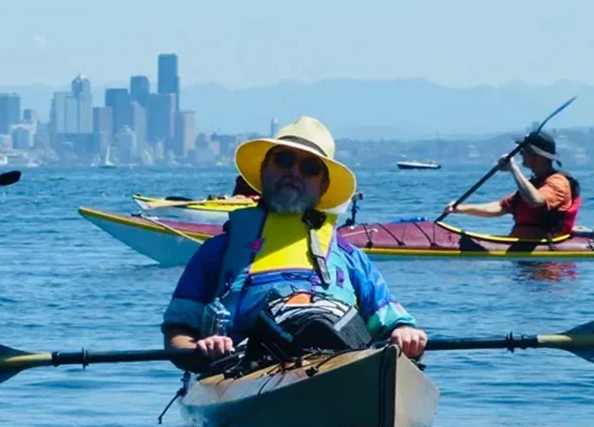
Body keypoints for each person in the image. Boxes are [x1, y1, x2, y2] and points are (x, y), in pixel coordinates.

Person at [163, 116, 427, 365]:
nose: (294, 172)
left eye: (310, 167)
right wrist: (199, 348)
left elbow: (394, 323)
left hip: (337, 369)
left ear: (323, 185)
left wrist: (405, 332)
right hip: (240, 371)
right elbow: (177, 332)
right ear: (265, 169)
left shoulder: (350, 257)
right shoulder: (218, 251)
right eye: (285, 160)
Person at [443, 131, 581, 238]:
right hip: (522, 250)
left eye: (523, 151)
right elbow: (500, 207)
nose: (521, 155)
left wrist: (514, 169)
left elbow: (537, 201)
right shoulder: (533, 183)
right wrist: (460, 209)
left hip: (545, 262)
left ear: (536, 155)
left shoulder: (558, 182)